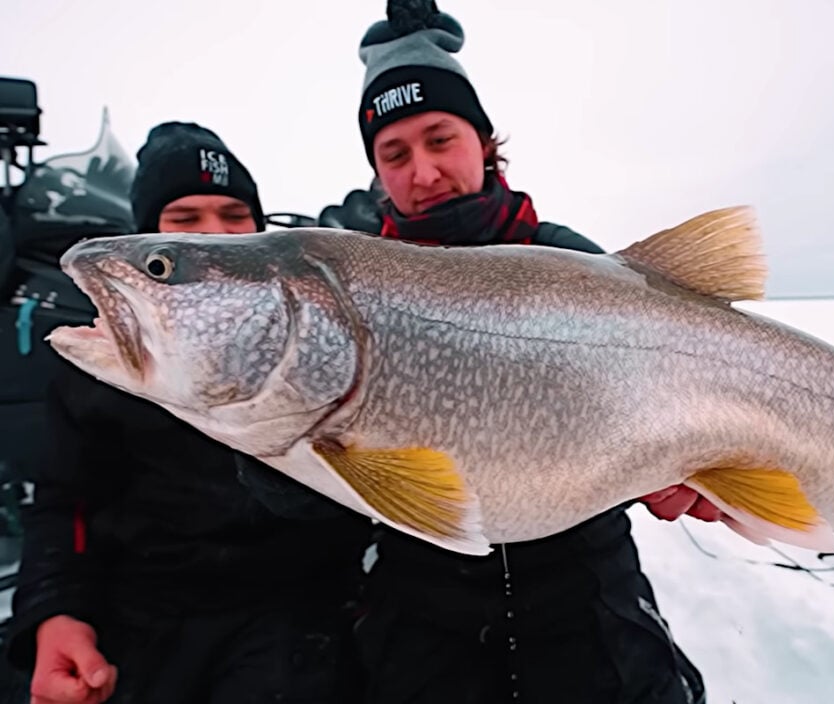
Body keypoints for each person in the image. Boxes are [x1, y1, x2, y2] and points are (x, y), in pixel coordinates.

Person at [251, 3, 713, 702]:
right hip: (419, 603)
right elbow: (297, 498)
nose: (424, 171)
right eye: (395, 154)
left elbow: (679, 388)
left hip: (585, 591)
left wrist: (689, 464)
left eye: (441, 138)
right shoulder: (344, 283)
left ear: (484, 139)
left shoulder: (568, 261)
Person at [5, 122, 373, 704]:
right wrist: (57, 613)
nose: (217, 236)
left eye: (234, 216)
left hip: (297, 619)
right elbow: (64, 500)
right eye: (185, 221)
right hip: (150, 623)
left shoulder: (319, 334)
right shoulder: (103, 364)